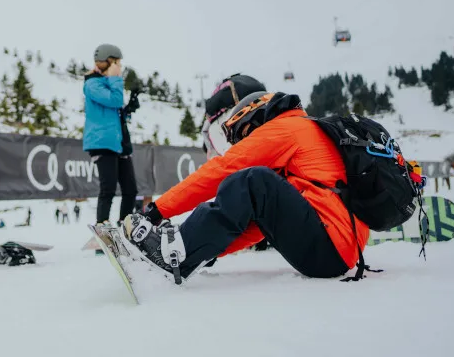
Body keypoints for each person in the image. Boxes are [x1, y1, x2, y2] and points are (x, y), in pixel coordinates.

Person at [121, 75, 385, 282]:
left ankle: (173, 255)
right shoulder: (301, 140)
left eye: (245, 135)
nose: (245, 143)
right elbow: (259, 225)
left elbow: (222, 169)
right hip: (335, 252)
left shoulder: (284, 128)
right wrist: (207, 250)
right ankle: (181, 253)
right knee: (258, 185)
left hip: (330, 245)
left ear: (254, 116)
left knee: (250, 179)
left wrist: (156, 211)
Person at [83, 43, 140, 225]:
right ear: (109, 62)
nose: (120, 68)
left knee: (130, 189)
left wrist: (128, 109)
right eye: (118, 64)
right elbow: (114, 100)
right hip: (102, 141)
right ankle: (103, 229)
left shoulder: (107, 83)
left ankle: (124, 226)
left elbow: (115, 108)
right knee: (108, 189)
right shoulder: (92, 84)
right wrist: (116, 78)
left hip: (119, 141)